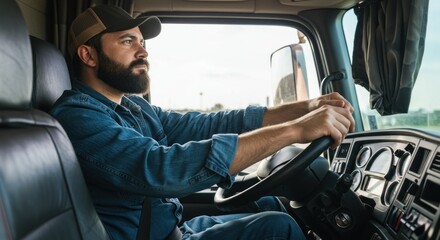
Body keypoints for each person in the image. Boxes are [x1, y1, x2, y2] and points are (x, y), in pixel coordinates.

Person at [51, 5, 355, 240]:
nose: (143, 51)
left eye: (142, 41)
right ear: (88, 55)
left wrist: (306, 108)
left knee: (272, 205)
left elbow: (206, 125)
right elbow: (161, 169)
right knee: (278, 228)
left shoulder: (134, 108)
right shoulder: (78, 116)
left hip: (173, 228)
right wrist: (296, 131)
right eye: (128, 41)